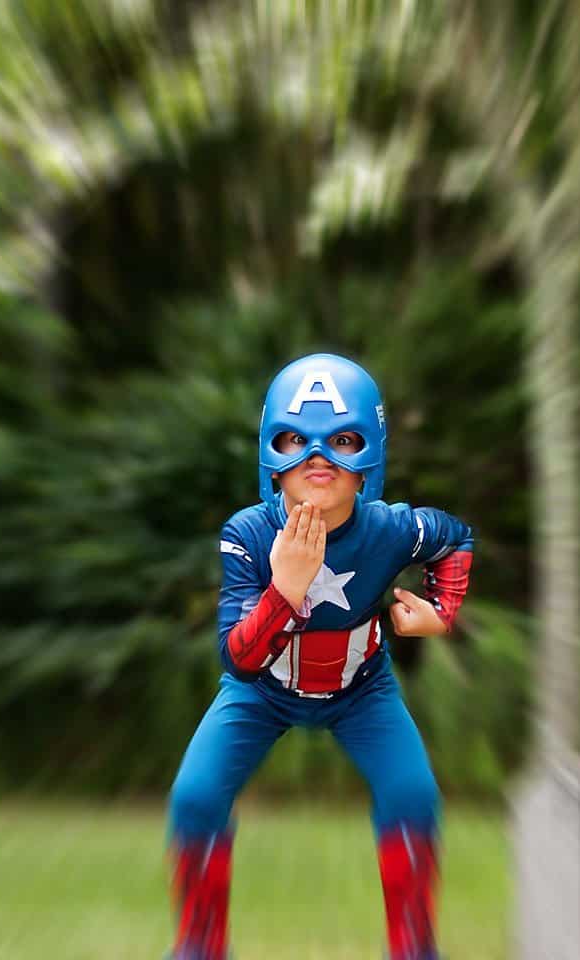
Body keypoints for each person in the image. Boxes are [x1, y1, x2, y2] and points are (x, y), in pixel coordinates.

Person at [167, 353, 474, 960]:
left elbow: (456, 538)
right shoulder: (250, 533)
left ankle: (415, 948)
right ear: (271, 465)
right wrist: (285, 589)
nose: (318, 458)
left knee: (413, 795)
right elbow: (237, 660)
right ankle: (199, 946)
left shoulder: (392, 529)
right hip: (261, 692)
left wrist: (443, 611)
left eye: (343, 440)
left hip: (362, 689)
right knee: (195, 797)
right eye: (294, 440)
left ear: (368, 466)